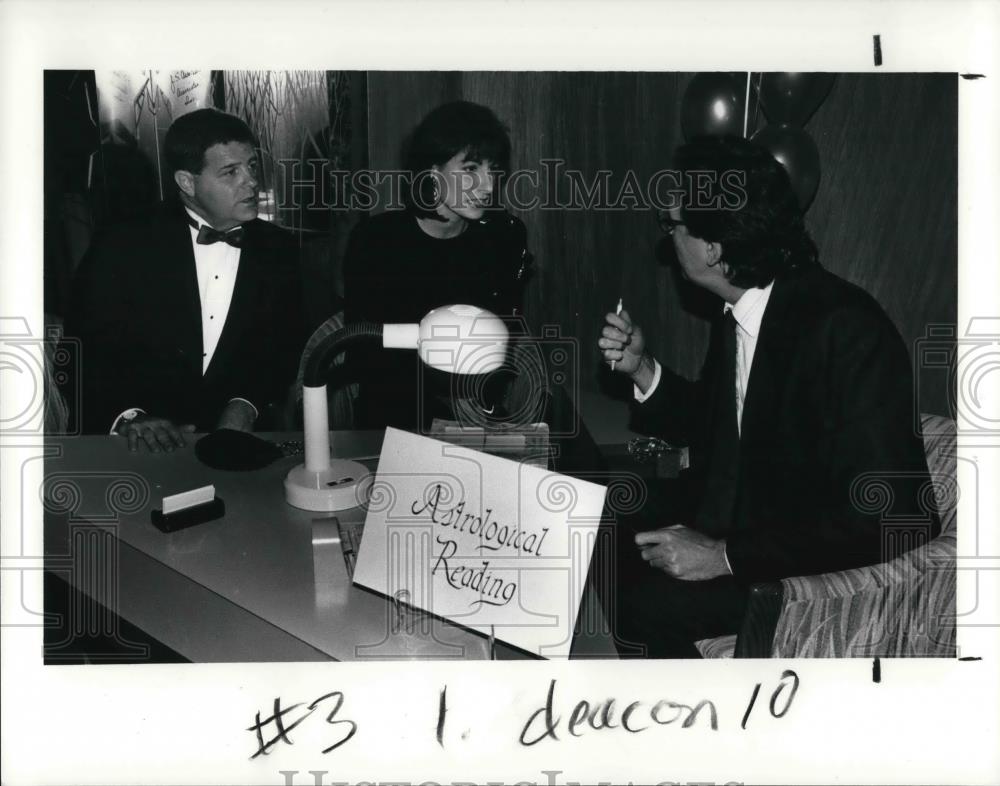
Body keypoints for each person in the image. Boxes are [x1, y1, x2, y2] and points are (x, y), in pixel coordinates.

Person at [598, 136, 937, 657]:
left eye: (673, 226)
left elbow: (896, 516)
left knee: (636, 601)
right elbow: (723, 428)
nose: (668, 240)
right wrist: (643, 369)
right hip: (736, 514)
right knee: (595, 512)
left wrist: (725, 556)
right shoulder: (744, 308)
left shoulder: (845, 330)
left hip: (786, 564)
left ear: (713, 249)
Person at [65, 108, 305, 451]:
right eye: (230, 172)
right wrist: (130, 417)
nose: (251, 181)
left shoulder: (277, 248)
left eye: (251, 166)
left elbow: (282, 347)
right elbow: (84, 351)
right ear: (187, 183)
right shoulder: (124, 244)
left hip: (243, 445)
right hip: (142, 448)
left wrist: (245, 405)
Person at [343, 100, 532, 432]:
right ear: (431, 171)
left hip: (475, 418)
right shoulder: (376, 241)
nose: (487, 186)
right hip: (393, 422)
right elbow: (367, 358)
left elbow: (502, 346)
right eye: (471, 169)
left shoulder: (505, 237)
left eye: (493, 169)